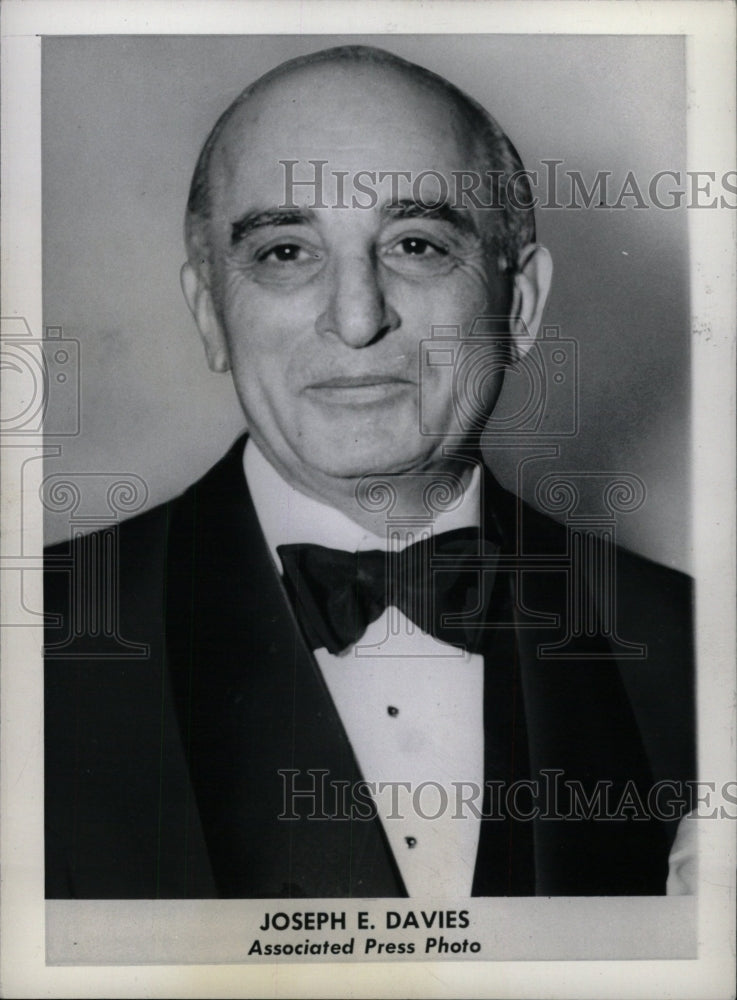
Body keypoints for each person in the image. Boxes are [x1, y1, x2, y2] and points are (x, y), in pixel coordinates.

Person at [44, 45, 694, 899]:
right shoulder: (35, 652)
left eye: (416, 244)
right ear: (209, 312)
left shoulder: (697, 647)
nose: (355, 319)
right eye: (284, 252)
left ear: (521, 306)